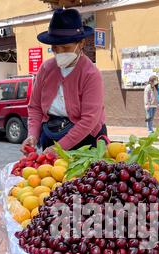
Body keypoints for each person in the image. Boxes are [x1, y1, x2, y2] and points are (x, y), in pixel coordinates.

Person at [21, 8, 106, 154]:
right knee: (49, 176)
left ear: (81, 43)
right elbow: (35, 107)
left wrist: (59, 148)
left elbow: (88, 120)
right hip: (52, 135)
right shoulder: (46, 69)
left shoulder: (91, 74)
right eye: (55, 48)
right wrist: (32, 135)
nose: (59, 53)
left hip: (85, 140)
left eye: (65, 48)